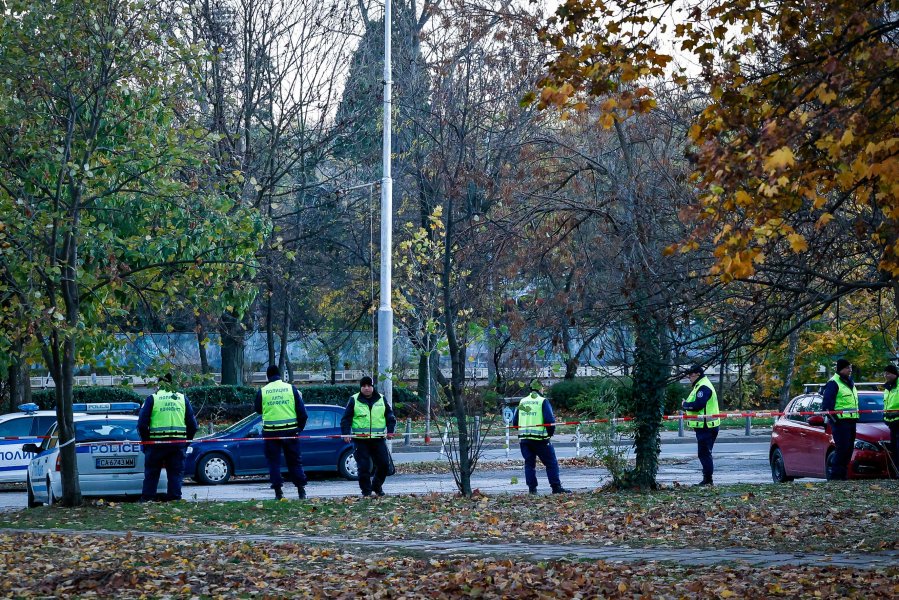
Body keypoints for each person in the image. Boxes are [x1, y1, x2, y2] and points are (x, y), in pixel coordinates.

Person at [138, 372, 198, 501]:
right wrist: (185, 442)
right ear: (172, 384)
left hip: (156, 444)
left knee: (152, 472)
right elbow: (193, 426)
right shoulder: (182, 399)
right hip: (177, 444)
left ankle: (148, 499)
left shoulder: (153, 399)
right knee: (175, 473)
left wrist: (146, 442)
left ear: (159, 384)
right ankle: (174, 498)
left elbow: (142, 424)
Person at [255, 365, 309, 499]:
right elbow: (302, 413)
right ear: (281, 375)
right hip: (290, 431)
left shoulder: (263, 391)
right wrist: (299, 429)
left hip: (270, 433)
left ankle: (278, 492)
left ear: (268, 376)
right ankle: (301, 490)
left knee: (274, 463)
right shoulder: (291, 389)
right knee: (295, 461)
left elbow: (258, 410)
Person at [340, 376, 396, 497]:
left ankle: (376, 486)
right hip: (360, 440)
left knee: (384, 465)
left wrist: (390, 431)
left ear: (372, 387)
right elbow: (346, 419)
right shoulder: (354, 399)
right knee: (363, 467)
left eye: (368, 386)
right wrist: (345, 433)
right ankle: (366, 491)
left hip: (378, 439)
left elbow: (390, 417)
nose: (366, 388)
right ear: (361, 387)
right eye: (363, 386)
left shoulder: (382, 399)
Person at [513, 380, 570, 495]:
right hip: (540, 439)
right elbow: (550, 421)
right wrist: (549, 434)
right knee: (551, 463)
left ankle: (532, 489)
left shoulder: (523, 401)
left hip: (524, 439)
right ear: (540, 389)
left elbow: (515, 423)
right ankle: (556, 487)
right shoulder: (542, 401)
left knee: (529, 464)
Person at [821, 358, 859, 480]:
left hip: (851, 421)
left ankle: (842, 475)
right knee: (842, 449)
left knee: (848, 449)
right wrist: (836, 421)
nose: (850, 370)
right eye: (848, 368)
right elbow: (827, 406)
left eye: (851, 368)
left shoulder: (849, 382)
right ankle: (836, 477)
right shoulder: (833, 383)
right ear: (841, 369)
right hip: (841, 422)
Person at [682, 364, 719, 486]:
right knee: (705, 453)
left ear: (698, 374)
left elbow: (698, 405)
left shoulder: (704, 386)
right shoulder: (700, 385)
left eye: (691, 374)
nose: (689, 377)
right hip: (706, 426)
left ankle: (708, 480)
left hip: (706, 426)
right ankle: (707, 479)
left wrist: (685, 405)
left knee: (704, 453)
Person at [883, 364, 899, 475]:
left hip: (898, 421)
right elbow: (886, 405)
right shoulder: (888, 387)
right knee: (895, 449)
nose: (885, 375)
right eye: (885, 373)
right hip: (892, 423)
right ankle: (896, 472)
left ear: (894, 373)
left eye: (888, 373)